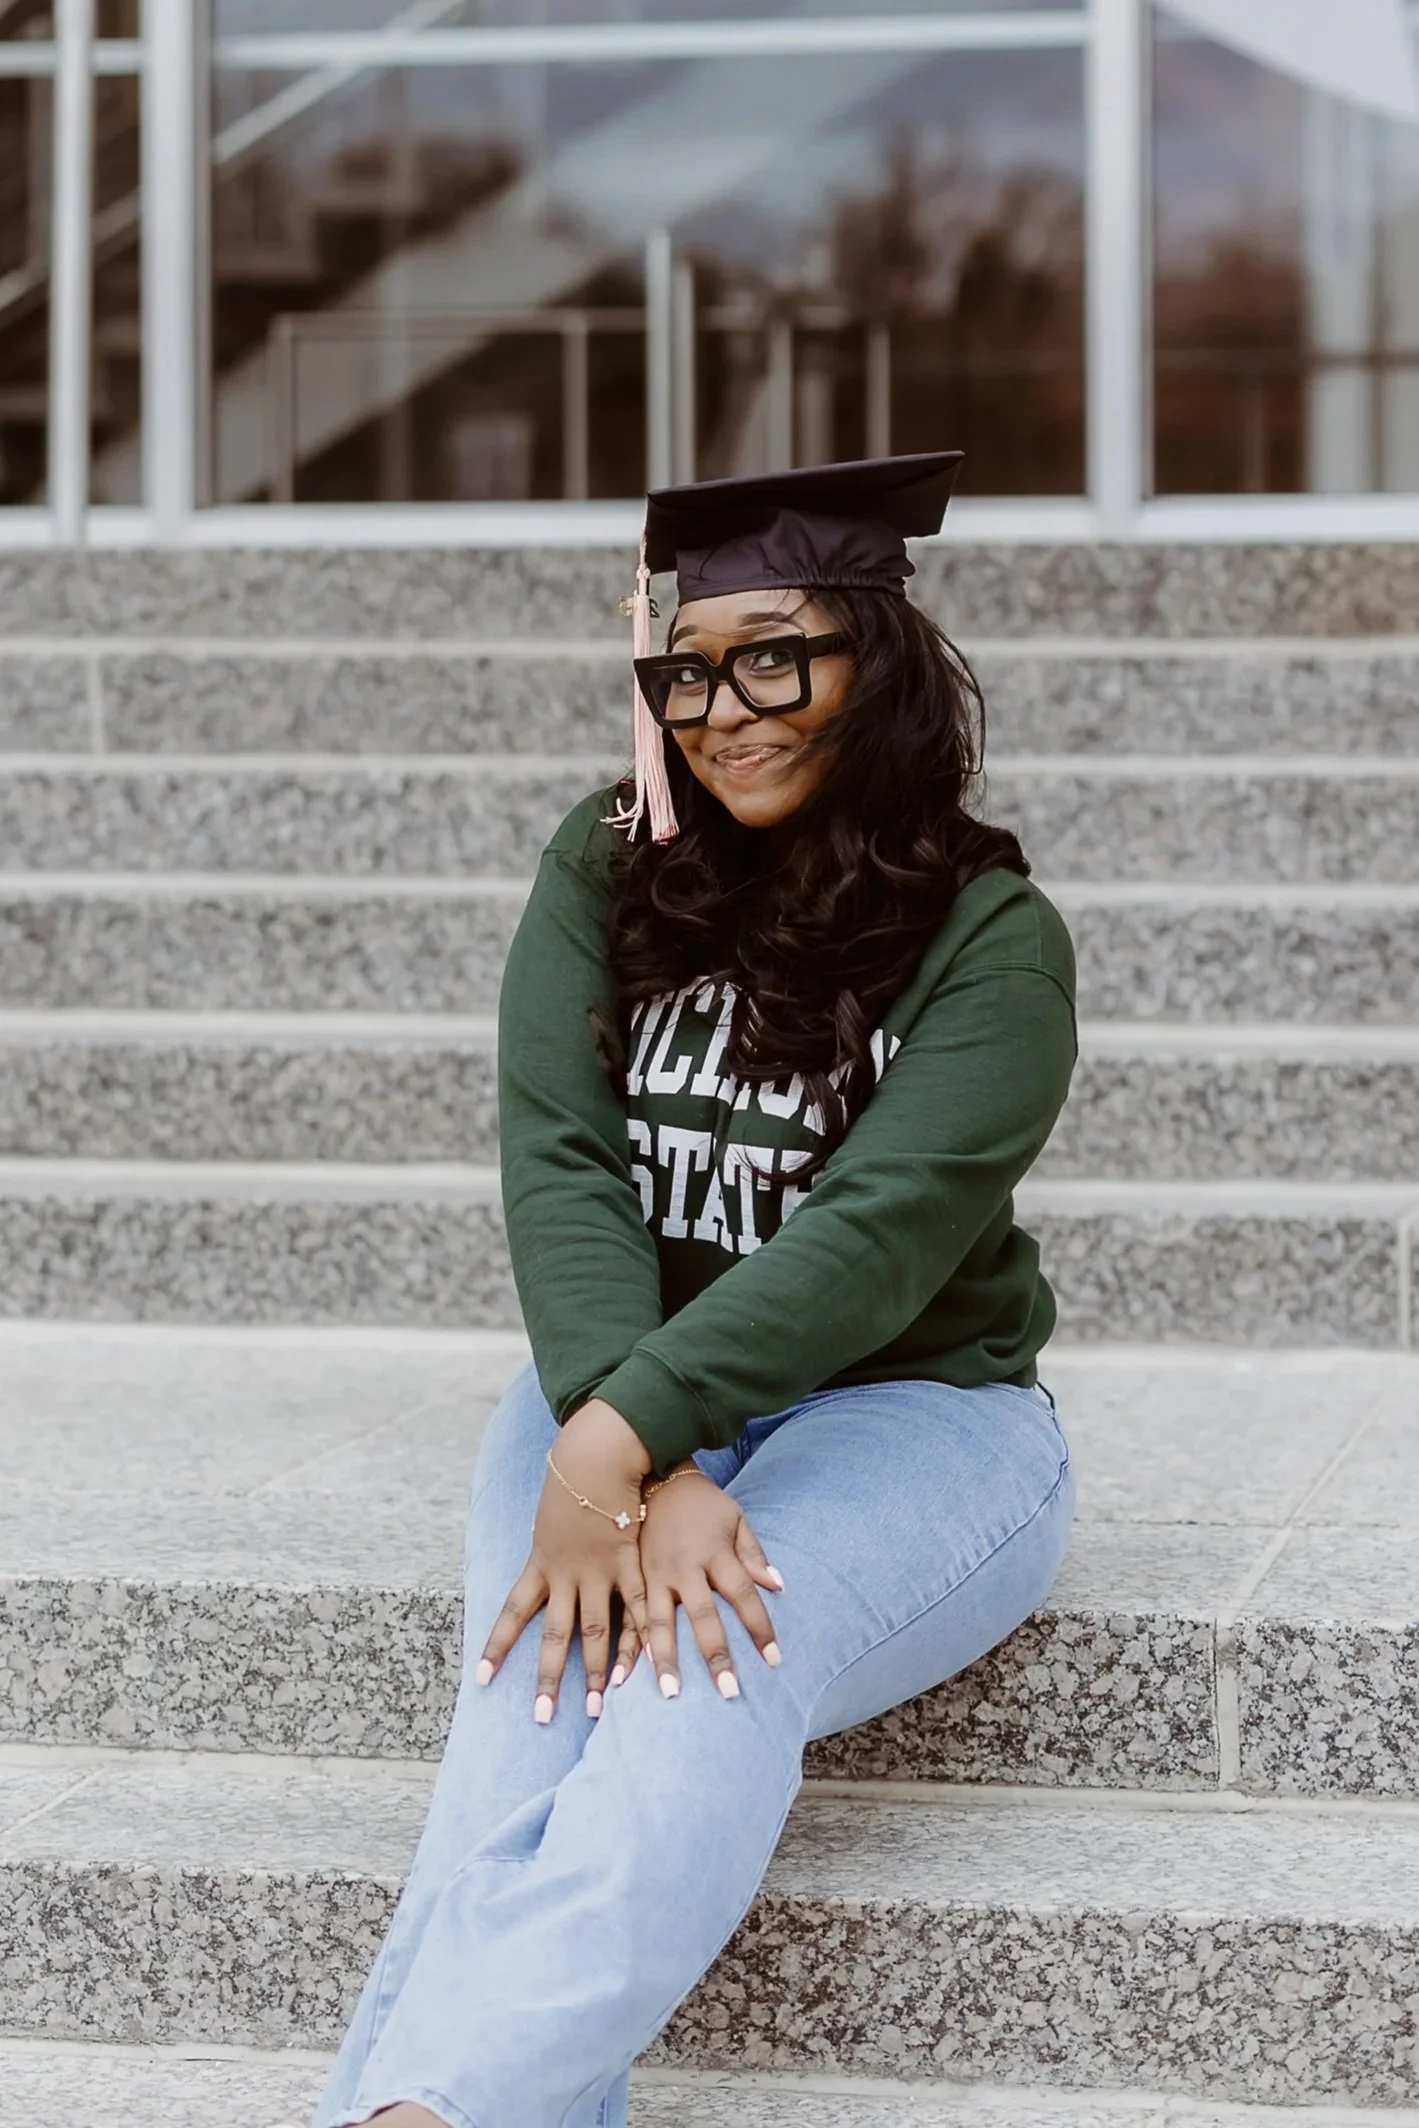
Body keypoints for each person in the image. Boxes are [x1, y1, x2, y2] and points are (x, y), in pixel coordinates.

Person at [308, 452, 1078, 2128]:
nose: (722, 708)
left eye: (773, 656)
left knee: (692, 1676)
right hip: (617, 1379)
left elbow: (872, 1238)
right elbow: (562, 1163)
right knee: (530, 1706)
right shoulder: (604, 867)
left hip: (913, 1414)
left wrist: (621, 1444)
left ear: (872, 663)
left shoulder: (988, 937)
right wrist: (629, 1441)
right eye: (687, 668)